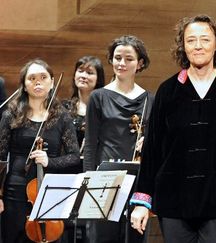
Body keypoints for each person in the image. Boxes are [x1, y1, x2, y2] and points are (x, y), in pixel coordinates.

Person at [129, 14, 216, 243]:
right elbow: (152, 151)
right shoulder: (167, 90)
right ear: (183, 46)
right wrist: (142, 203)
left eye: (205, 39)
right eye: (191, 40)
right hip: (174, 200)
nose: (198, 46)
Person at [83, 35, 154, 243]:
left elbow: (157, 143)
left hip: (139, 180)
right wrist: (89, 183)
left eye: (129, 59)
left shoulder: (150, 100)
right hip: (105, 180)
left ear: (140, 63)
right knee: (104, 237)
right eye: (117, 58)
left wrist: (148, 143)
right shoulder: (99, 97)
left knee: (135, 237)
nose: (121, 63)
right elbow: (90, 143)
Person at [0, 59, 80, 242]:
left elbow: (74, 156)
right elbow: (0, 157)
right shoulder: (10, 115)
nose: (38, 82)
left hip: (48, 190)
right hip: (16, 191)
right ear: (24, 85)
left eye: (43, 77)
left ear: (52, 82)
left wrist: (49, 161)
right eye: (32, 78)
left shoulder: (62, 117)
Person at [62, 55, 105, 171]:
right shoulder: (64, 107)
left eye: (90, 73)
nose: (83, 76)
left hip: (95, 166)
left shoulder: (104, 109)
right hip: (68, 168)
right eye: (80, 71)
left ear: (98, 79)